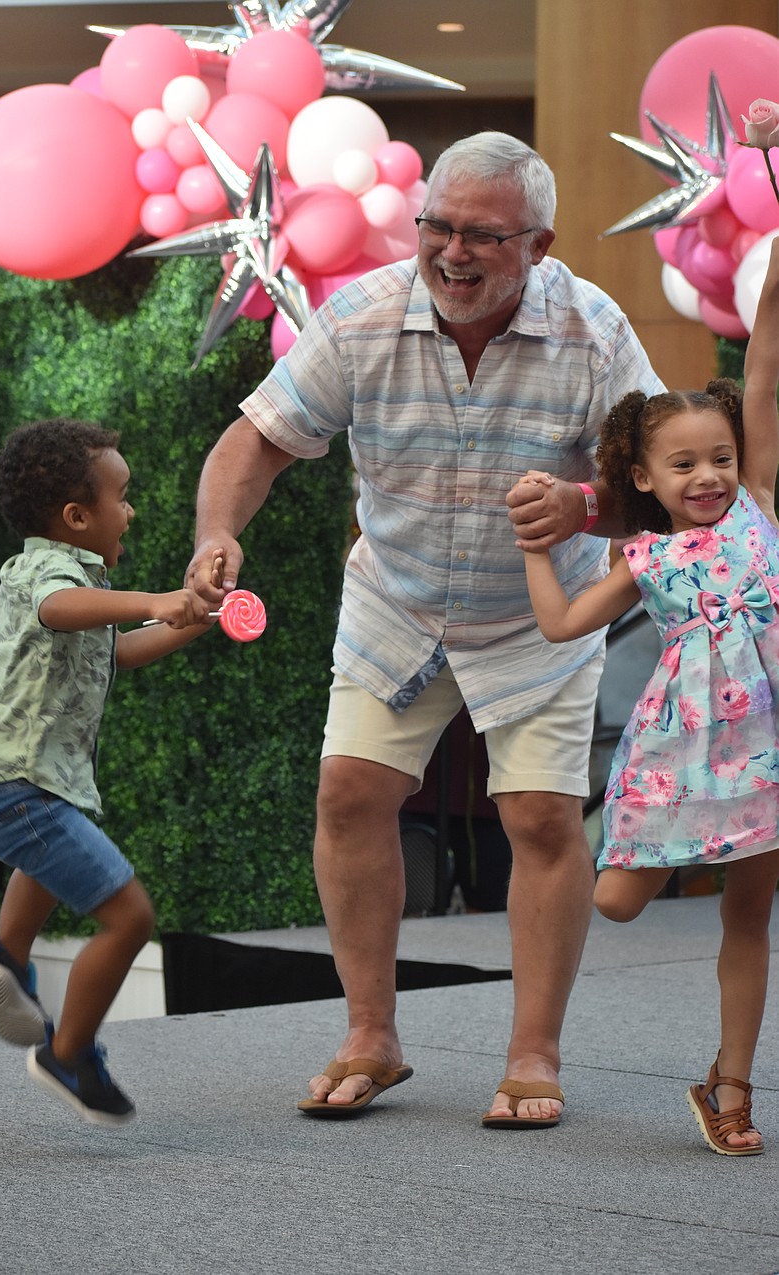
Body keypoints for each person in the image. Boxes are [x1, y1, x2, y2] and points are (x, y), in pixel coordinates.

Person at [186, 131, 663, 1125]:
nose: (450, 252)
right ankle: (371, 1035)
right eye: (435, 227)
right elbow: (255, 442)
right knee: (350, 793)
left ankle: (533, 1053)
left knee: (536, 817)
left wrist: (586, 506)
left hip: (538, 611)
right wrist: (216, 535)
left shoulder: (596, 328)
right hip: (396, 600)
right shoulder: (359, 314)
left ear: (539, 244)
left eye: (481, 236)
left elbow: (660, 486)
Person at [518, 236, 779, 1155]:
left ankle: (732, 1085)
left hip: (770, 749)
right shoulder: (646, 557)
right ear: (641, 477)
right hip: (686, 757)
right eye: (683, 466)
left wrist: (775, 255)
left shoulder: (758, 506)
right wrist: (534, 551)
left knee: (750, 913)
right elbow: (561, 625)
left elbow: (766, 364)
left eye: (719, 458)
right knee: (620, 902)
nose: (708, 476)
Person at [0, 418, 216, 1126]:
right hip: (16, 789)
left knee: (48, 846)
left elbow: (117, 653)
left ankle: (6, 958)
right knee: (130, 918)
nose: (131, 510)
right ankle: (69, 1054)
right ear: (76, 516)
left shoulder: (76, 579)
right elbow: (60, 608)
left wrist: (192, 620)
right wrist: (157, 598)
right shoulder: (48, 572)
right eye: (122, 496)